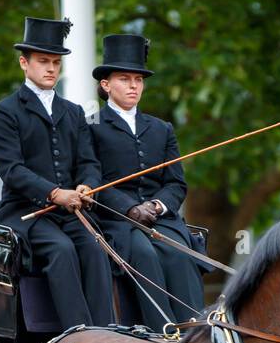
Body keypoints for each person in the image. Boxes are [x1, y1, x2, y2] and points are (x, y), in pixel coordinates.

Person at [0, 16, 114, 329]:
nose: (51, 69)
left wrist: (87, 186)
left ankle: (106, 333)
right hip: (25, 212)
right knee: (61, 249)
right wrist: (55, 193)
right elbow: (12, 170)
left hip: (69, 212)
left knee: (95, 246)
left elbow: (88, 162)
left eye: (56, 63)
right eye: (43, 61)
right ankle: (79, 335)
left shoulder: (73, 112)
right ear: (24, 63)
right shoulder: (4, 112)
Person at [86, 33, 205, 328]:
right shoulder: (90, 127)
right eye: (125, 79)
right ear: (106, 85)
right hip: (116, 220)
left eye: (138, 80)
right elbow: (92, 178)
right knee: (143, 253)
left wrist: (156, 205)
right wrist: (129, 209)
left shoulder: (161, 129)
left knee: (180, 255)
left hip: (160, 219)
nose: (133, 86)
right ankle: (161, 334)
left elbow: (176, 184)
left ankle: (196, 332)